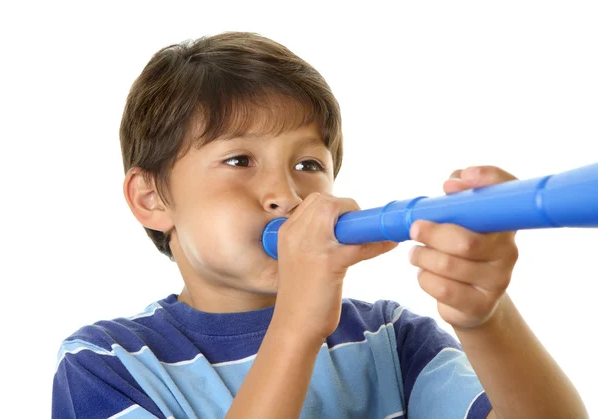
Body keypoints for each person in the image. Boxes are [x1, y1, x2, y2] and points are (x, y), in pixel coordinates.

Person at [51, 31, 588, 419]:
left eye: (308, 165)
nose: (286, 195)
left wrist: (484, 316)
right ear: (151, 199)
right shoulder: (105, 363)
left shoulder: (390, 338)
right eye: (239, 160)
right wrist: (297, 322)